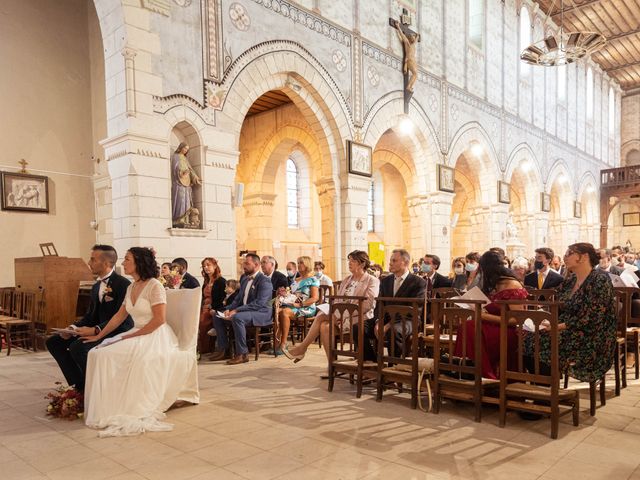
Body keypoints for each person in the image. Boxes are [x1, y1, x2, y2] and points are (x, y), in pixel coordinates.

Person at [83, 247, 191, 437]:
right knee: (96, 351)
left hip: (154, 335)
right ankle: (109, 404)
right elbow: (118, 316)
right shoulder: (131, 287)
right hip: (137, 332)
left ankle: (122, 405)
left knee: (107, 355)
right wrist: (100, 336)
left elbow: (159, 320)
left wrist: (129, 336)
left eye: (127, 259)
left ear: (139, 263)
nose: (123, 263)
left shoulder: (154, 286)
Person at [524, 243, 617, 384]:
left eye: (569, 254)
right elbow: (557, 305)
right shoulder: (571, 280)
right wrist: (543, 318)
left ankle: (548, 393)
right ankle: (541, 388)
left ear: (584, 257)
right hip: (568, 329)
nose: (564, 257)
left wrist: (558, 326)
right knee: (526, 339)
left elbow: (592, 317)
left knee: (541, 342)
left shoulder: (600, 280)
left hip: (592, 335)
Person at [46, 245, 133, 392]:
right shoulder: (96, 286)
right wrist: (72, 329)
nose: (88, 262)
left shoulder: (123, 284)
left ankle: (95, 389)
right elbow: (89, 316)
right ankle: (78, 386)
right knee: (54, 342)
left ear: (106, 263)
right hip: (95, 329)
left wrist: (95, 330)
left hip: (116, 330)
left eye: (93, 259)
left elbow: (123, 319)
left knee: (78, 347)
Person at [283, 250, 379, 363]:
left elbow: (368, 305)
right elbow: (338, 300)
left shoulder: (372, 281)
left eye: (353, 261)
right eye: (349, 260)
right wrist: (338, 315)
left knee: (321, 317)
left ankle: (302, 348)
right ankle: (332, 365)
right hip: (339, 318)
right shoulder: (347, 280)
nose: (349, 263)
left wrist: (341, 315)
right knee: (324, 326)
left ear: (362, 264)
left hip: (359, 320)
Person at [454, 250, 528, 379]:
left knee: (470, 327)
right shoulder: (494, 284)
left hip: (509, 331)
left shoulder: (512, 284)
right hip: (492, 326)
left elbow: (516, 319)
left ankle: (482, 376)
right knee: (467, 326)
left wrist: (483, 316)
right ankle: (466, 372)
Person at [357, 249, 426, 362]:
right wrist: (378, 321)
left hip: (408, 320)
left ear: (405, 262)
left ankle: (393, 366)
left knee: (393, 330)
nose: (390, 263)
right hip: (385, 318)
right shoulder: (385, 281)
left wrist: (388, 325)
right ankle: (371, 361)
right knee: (358, 327)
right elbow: (379, 304)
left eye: (394, 260)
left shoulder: (418, 282)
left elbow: (413, 310)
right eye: (390, 260)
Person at [210, 254, 272, 364]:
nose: (244, 266)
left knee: (238, 317)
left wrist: (237, 310)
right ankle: (224, 350)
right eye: (243, 263)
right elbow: (238, 299)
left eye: (247, 263)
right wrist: (228, 309)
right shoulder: (244, 278)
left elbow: (259, 303)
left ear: (256, 265)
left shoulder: (264, 281)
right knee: (217, 315)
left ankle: (242, 354)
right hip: (246, 311)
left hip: (261, 312)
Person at [275, 256, 320, 354]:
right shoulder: (297, 280)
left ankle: (283, 344)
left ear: (307, 265)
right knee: (276, 312)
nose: (299, 265)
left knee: (285, 312)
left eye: (301, 263)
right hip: (293, 305)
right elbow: (293, 295)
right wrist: (284, 294)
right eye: (298, 263)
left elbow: (315, 298)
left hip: (307, 307)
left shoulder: (313, 279)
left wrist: (300, 304)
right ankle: (276, 343)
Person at [198, 257, 226, 355]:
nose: (206, 267)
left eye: (208, 265)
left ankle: (206, 348)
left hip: (214, 307)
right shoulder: (206, 281)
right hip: (204, 306)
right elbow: (203, 296)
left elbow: (222, 299)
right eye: (204, 266)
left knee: (202, 320)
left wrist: (212, 307)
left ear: (214, 266)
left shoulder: (221, 281)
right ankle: (202, 347)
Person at [171, 142, 201, 227]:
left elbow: (190, 170)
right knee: (180, 200)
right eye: (185, 148)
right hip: (179, 183)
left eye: (187, 149)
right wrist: (181, 173)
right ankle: (178, 219)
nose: (185, 150)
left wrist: (196, 178)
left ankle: (186, 219)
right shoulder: (176, 157)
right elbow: (175, 169)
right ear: (180, 148)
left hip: (187, 183)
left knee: (187, 201)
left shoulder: (185, 158)